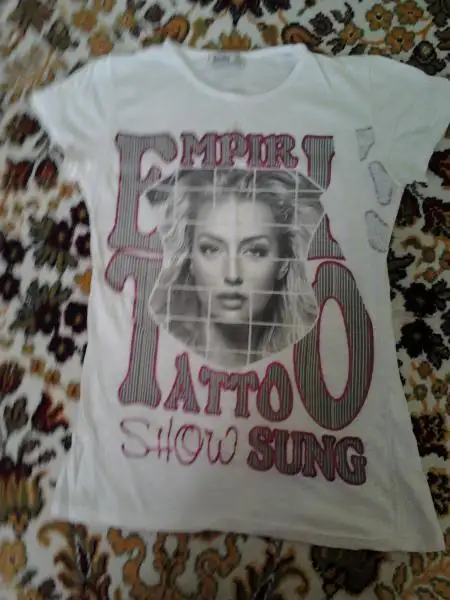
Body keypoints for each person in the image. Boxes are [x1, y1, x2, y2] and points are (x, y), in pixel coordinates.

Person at [147, 168, 323, 367]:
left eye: (255, 251)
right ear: (190, 257)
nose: (232, 275)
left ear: (283, 263)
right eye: (211, 249)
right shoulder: (156, 351)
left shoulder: (309, 356)